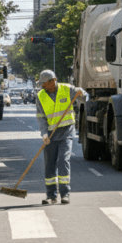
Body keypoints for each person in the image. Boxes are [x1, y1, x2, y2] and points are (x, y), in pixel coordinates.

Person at [35, 70, 86, 205]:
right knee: (49, 165)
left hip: (66, 133)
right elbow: (41, 118)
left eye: (45, 84)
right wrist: (44, 134)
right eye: (42, 85)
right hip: (50, 135)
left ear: (53, 81)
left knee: (63, 161)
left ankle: (65, 194)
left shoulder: (67, 89)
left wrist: (82, 93)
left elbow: (84, 98)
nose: (43, 87)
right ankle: (51, 196)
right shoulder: (40, 96)